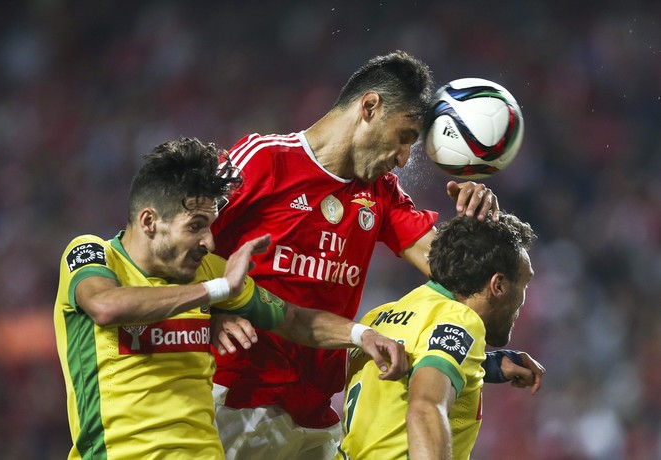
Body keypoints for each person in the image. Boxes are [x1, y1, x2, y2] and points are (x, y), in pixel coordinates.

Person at [210, 50, 544, 459]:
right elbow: (168, 244)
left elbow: (458, 276)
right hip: (239, 397)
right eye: (404, 136)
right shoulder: (263, 160)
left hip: (314, 414)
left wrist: (476, 221)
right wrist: (207, 311)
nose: (405, 158)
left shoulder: (380, 194)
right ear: (370, 107)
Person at [53, 137, 408, 459]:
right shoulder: (93, 254)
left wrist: (363, 335)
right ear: (149, 222)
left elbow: (295, 320)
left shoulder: (209, 270)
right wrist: (217, 293)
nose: (208, 241)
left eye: (209, 225)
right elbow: (105, 306)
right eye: (195, 226)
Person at [338, 212, 541, 459]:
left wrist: (486, 365)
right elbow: (424, 408)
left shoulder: (377, 318)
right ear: (498, 285)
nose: (523, 298)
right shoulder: (462, 320)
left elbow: (412, 370)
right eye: (524, 283)